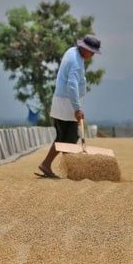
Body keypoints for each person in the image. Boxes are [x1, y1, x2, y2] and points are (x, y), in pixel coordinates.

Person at [38, 35, 101, 178]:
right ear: (84, 48)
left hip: (66, 105)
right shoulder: (76, 62)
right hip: (66, 106)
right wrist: (77, 108)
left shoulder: (73, 52)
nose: (92, 55)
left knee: (68, 138)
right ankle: (57, 167)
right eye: (91, 52)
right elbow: (71, 86)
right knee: (67, 138)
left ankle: (62, 167)